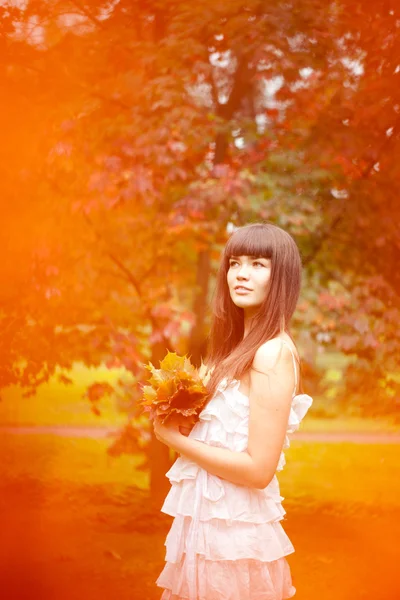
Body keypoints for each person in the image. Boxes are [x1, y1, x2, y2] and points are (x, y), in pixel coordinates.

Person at [153, 222, 313, 600]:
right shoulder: (234, 349)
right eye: (235, 262)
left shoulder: (272, 353)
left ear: (282, 277)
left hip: (234, 537)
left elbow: (259, 470)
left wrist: (173, 439)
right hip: (209, 528)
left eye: (258, 264)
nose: (241, 274)